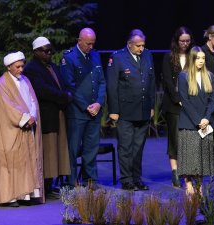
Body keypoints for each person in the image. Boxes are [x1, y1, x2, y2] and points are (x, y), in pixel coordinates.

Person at [106, 29, 155, 191]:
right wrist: (113, 110)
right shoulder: (118, 57)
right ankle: (127, 180)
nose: (141, 49)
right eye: (138, 46)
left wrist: (152, 106)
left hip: (143, 109)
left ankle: (136, 178)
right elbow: (112, 86)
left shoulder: (147, 55)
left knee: (138, 147)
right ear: (129, 44)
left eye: (143, 45)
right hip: (125, 110)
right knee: (125, 147)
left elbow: (151, 81)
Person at [24, 37, 72, 199]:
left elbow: (60, 84)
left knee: (57, 150)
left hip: (57, 113)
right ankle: (45, 185)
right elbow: (42, 90)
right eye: (46, 51)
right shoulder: (32, 68)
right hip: (46, 116)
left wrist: (65, 94)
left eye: (51, 50)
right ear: (36, 52)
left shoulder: (51, 66)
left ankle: (52, 184)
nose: (49, 53)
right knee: (49, 151)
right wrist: (63, 96)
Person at [0, 52, 44, 206]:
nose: (21, 69)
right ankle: (12, 197)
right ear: (9, 67)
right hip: (11, 128)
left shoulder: (25, 80)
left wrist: (33, 116)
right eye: (18, 67)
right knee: (12, 160)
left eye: (22, 66)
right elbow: (8, 106)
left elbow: (32, 100)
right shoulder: (2, 83)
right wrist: (24, 118)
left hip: (27, 125)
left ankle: (26, 195)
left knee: (27, 160)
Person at [60, 28, 106, 189]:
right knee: (73, 148)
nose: (91, 47)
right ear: (79, 41)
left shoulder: (95, 55)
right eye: (88, 43)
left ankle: (90, 180)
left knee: (91, 148)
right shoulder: (69, 57)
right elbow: (70, 87)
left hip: (94, 110)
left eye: (93, 43)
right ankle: (72, 182)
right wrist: (86, 106)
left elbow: (101, 81)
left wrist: (99, 103)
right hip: (77, 112)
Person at [177, 46, 214, 195]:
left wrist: (206, 118)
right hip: (189, 122)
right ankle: (188, 185)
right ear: (192, 59)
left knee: (201, 157)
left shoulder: (210, 76)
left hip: (205, 122)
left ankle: (199, 185)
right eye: (197, 58)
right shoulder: (183, 76)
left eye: (203, 58)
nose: (200, 61)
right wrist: (198, 120)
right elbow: (185, 101)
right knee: (189, 157)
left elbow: (212, 100)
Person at [161, 26, 194, 188]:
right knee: (174, 139)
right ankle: (175, 172)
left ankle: (187, 172)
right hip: (174, 105)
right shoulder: (169, 57)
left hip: (190, 105)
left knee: (188, 138)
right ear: (176, 41)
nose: (185, 44)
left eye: (187, 41)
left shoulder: (193, 56)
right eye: (182, 41)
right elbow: (167, 81)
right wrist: (178, 100)